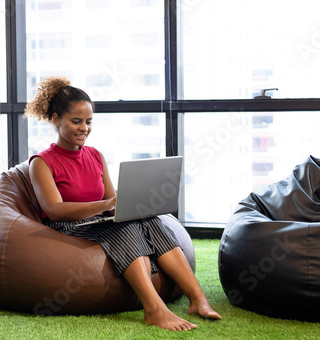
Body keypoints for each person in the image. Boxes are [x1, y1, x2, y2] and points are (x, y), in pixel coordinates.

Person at [24, 76, 221, 331]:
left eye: (88, 121)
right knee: (125, 228)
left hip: (98, 220)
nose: (84, 128)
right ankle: (155, 309)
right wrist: (104, 205)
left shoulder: (95, 156)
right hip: (67, 227)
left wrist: (126, 204)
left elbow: (111, 197)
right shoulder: (41, 162)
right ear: (55, 119)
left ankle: (198, 299)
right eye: (76, 121)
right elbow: (54, 209)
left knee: (148, 219)